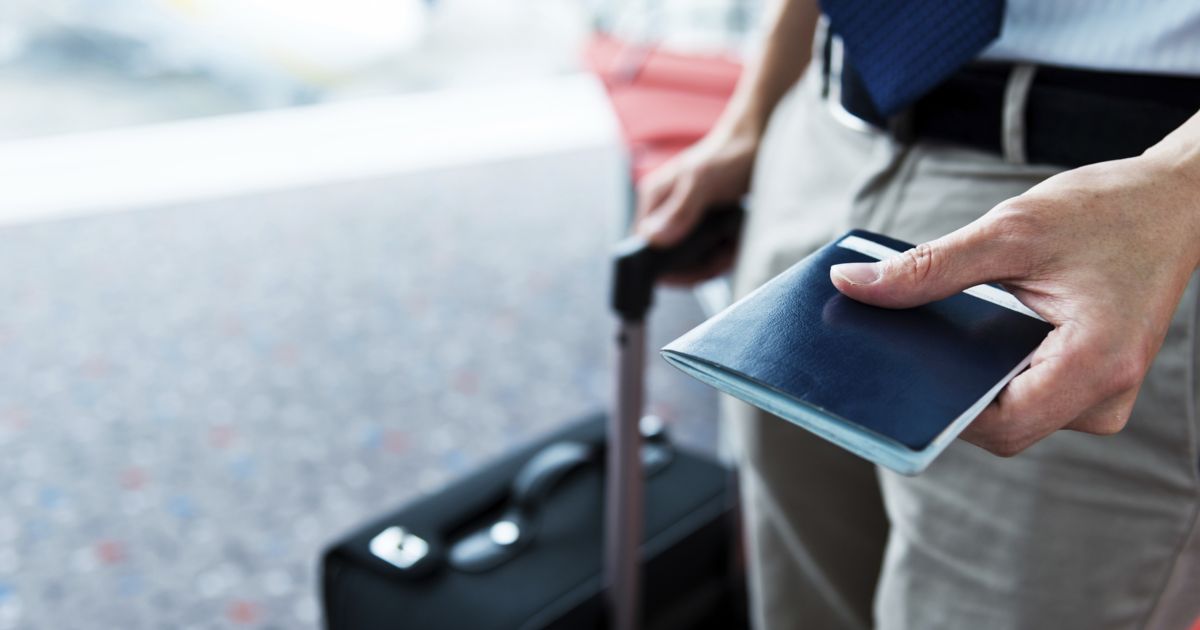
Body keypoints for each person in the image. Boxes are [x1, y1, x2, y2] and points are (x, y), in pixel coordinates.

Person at [634, 1, 1200, 628]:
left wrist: (1181, 187)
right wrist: (752, 117)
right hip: (825, 129)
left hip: (1110, 204)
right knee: (801, 601)